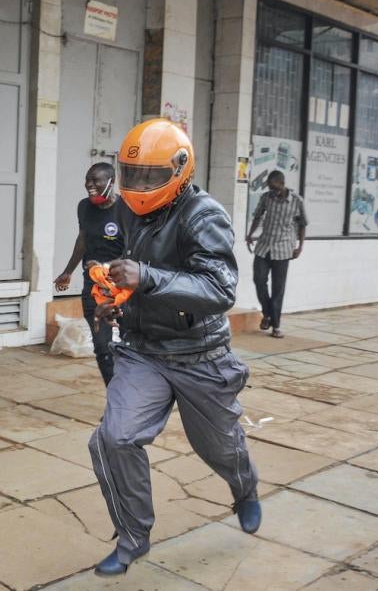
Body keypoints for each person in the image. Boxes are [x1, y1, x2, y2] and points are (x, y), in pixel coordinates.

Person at [88, 119, 260, 577]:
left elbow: (220, 287)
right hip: (144, 350)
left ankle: (244, 489)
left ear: (180, 170)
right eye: (133, 175)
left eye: (152, 176)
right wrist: (113, 295)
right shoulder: (127, 209)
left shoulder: (204, 215)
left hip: (200, 354)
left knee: (220, 449)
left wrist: (146, 277)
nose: (141, 186)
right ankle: (132, 539)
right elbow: (128, 261)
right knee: (113, 438)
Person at [53, 162, 124, 386]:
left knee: (131, 348)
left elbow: (136, 251)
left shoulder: (127, 209)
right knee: (102, 347)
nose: (90, 185)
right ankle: (116, 402)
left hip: (122, 288)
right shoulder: (84, 207)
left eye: (96, 180)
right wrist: (68, 271)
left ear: (111, 182)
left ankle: (131, 400)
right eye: (88, 180)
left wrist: (107, 266)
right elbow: (82, 239)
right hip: (93, 287)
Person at [245, 170, 308, 339]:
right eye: (270, 187)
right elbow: (257, 216)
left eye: (274, 187)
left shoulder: (296, 201)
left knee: (278, 288)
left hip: (284, 249)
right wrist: (250, 234)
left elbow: (303, 225)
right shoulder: (266, 198)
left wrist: (300, 247)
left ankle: (276, 326)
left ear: (281, 183)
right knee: (259, 280)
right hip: (264, 246)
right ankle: (267, 313)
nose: (272, 190)